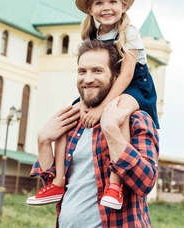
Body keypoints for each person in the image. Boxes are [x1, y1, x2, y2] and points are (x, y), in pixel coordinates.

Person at [26, 0, 159, 210]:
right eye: (99, 3)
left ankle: (115, 184)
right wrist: (89, 105)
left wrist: (100, 108)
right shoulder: (92, 35)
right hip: (110, 84)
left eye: (112, 2)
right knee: (69, 114)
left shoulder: (128, 33)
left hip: (134, 85)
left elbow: (126, 75)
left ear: (123, 6)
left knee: (118, 114)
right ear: (90, 9)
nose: (106, 8)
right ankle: (57, 181)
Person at [29, 40, 159, 227]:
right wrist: (43, 142)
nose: (88, 79)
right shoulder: (72, 123)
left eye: (97, 71)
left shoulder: (135, 119)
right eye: (82, 71)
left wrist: (112, 130)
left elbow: (145, 182)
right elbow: (52, 183)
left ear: (116, 77)